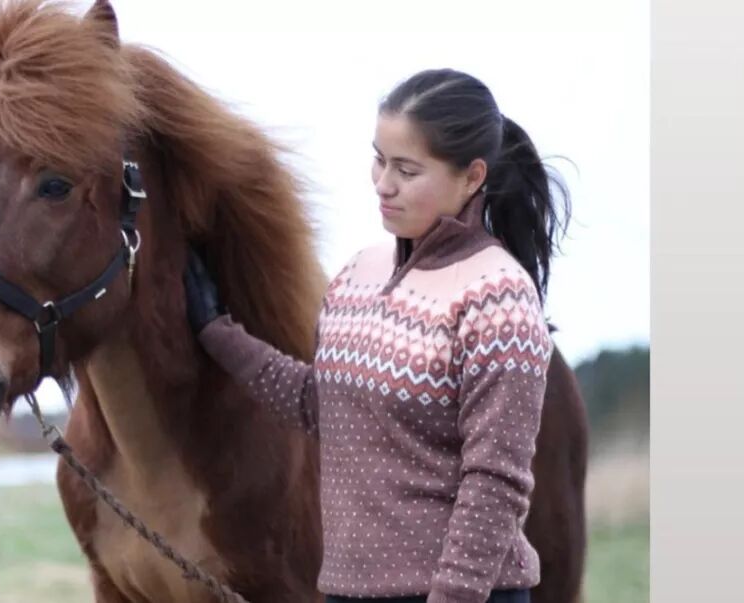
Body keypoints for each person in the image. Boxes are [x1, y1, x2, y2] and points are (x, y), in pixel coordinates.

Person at [184, 67, 570, 603]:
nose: (383, 184)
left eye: (408, 171)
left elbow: (496, 483)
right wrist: (216, 332)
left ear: (472, 177)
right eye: (379, 160)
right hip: (348, 590)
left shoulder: (498, 297)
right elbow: (321, 407)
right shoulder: (356, 273)